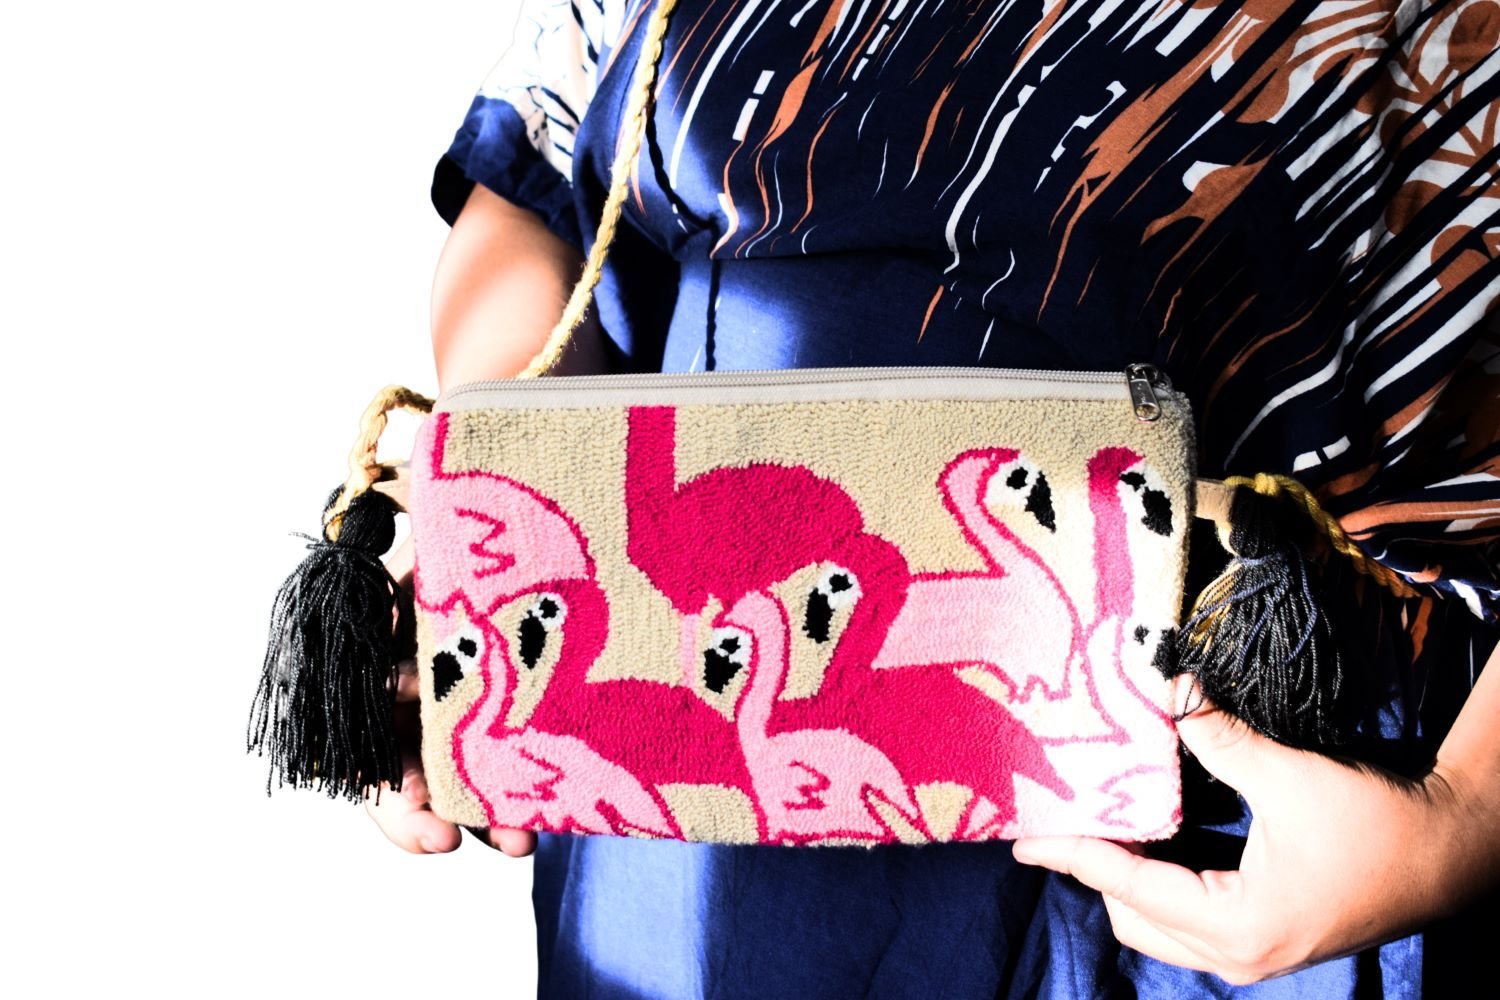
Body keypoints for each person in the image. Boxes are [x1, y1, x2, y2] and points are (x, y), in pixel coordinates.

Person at [369, 0, 1500, 994]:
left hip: (1245, 852)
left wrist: (1466, 820)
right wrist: (493, 512)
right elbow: (535, 185)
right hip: (689, 819)